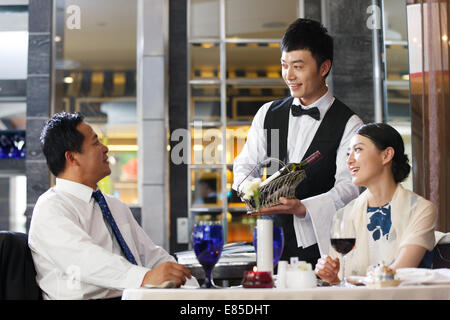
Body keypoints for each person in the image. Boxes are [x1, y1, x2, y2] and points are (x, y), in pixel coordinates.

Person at [232, 18, 363, 267]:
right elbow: (245, 165)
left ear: (323, 68)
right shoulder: (267, 113)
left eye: (298, 66)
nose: (289, 75)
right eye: (284, 65)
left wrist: (303, 207)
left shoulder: (349, 124)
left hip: (320, 246)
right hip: (269, 242)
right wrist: (249, 189)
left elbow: (349, 189)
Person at [28, 112, 196, 300]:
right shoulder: (51, 207)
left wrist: (193, 288)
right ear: (72, 158)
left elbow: (152, 256)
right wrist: (145, 277)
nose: (105, 148)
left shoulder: (114, 205)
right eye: (95, 143)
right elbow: (85, 260)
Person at [315, 123, 436, 284]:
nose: (349, 161)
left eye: (357, 150)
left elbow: (395, 275)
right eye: (348, 154)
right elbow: (341, 283)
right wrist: (332, 277)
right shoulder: (342, 216)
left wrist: (344, 281)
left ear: (386, 155)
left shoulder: (420, 209)